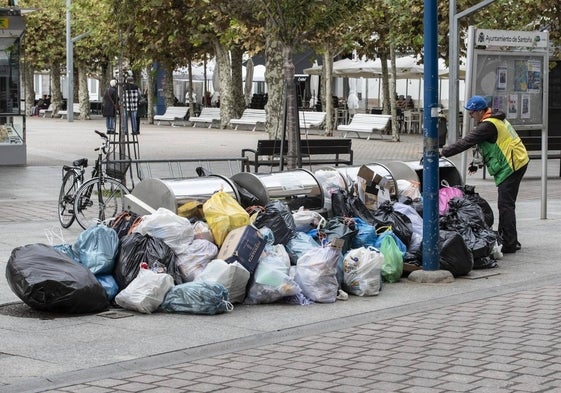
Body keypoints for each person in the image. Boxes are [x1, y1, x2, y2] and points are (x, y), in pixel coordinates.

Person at [440, 95, 529, 254]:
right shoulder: (493, 119)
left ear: (481, 111)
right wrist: (476, 164)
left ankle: (509, 243)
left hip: (512, 164)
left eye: (472, 112)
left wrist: (442, 152)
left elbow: (466, 142)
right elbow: (487, 145)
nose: (470, 116)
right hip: (516, 161)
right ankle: (507, 238)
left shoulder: (488, 125)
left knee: (505, 204)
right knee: (506, 203)